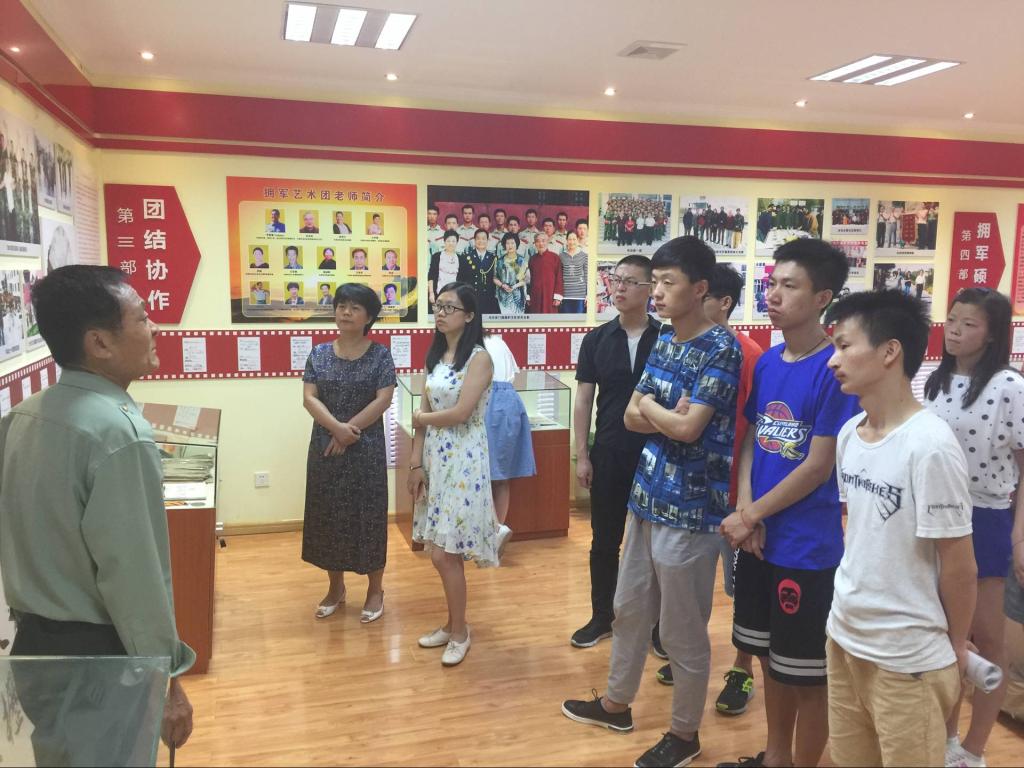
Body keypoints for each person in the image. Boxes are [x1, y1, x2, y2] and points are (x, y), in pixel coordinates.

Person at [0, 265, 194, 762]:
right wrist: (167, 679)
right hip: (100, 660)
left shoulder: (24, 414)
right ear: (100, 343)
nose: (154, 328)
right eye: (142, 318)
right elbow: (136, 577)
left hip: (35, 647)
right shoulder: (118, 434)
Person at [561, 236, 741, 768]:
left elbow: (687, 428)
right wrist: (666, 413)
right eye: (654, 282)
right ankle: (616, 704)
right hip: (646, 498)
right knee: (629, 608)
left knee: (682, 631)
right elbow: (629, 416)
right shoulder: (666, 341)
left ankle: (684, 734)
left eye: (667, 282)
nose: (657, 292)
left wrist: (657, 412)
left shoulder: (720, 348)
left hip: (691, 510)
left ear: (700, 288)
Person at [718, 238, 859, 768]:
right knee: (767, 659)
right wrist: (748, 508)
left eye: (788, 286)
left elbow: (818, 465)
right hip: (759, 538)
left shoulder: (834, 369)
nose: (773, 295)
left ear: (822, 297)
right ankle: (775, 757)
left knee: (806, 675)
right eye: (772, 283)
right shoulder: (770, 361)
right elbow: (752, 440)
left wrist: (753, 514)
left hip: (806, 548)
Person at [823, 290, 977, 767]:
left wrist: (955, 648)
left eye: (845, 346)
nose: (833, 361)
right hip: (845, 635)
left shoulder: (929, 446)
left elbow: (959, 564)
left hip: (908, 658)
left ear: (890, 351)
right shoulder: (850, 434)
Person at [653, 264, 763, 718]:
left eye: (704, 299)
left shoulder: (749, 354)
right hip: (693, 492)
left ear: (722, 302)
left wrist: (748, 499)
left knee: (743, 589)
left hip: (737, 493)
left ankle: (741, 669)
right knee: (691, 587)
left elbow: (753, 430)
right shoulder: (684, 347)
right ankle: (687, 656)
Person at [922, 288, 1024, 768]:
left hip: (985, 517)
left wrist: (1019, 536)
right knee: (946, 634)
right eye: (952, 320)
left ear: (992, 334)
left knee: (987, 638)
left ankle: (974, 749)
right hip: (935, 514)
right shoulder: (936, 380)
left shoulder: (1009, 386)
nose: (955, 331)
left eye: (969, 324)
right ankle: (945, 737)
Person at [570, 254, 660, 648]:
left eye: (630, 281)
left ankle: (658, 626)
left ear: (650, 289)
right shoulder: (597, 339)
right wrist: (583, 454)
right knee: (605, 541)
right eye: (616, 279)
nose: (619, 287)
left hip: (656, 453)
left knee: (657, 546)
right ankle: (601, 617)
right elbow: (583, 400)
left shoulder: (666, 339)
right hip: (608, 452)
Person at [408, 283, 499, 666]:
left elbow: (460, 413)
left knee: (446, 553)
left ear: (469, 316)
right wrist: (415, 464)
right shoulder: (435, 356)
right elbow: (423, 418)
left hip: (464, 460)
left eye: (450, 307)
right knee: (439, 552)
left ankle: (460, 633)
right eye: (438, 306)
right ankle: (452, 624)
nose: (441, 313)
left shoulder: (479, 358)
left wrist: (420, 417)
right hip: (436, 459)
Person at [302, 283, 395, 624]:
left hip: (366, 448)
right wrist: (336, 429)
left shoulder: (380, 355)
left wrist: (349, 430)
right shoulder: (319, 353)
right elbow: (309, 397)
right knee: (329, 516)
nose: (345, 312)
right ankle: (335, 587)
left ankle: (375, 590)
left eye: (355, 307)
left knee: (369, 518)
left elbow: (384, 399)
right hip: (326, 447)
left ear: (369, 317)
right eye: (341, 305)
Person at [482, 330, 535, 556]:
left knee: (482, 473)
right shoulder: (498, 342)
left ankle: (493, 531)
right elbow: (512, 376)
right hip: (509, 402)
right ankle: (496, 531)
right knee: (501, 477)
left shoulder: (473, 345)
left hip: (488, 401)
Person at [428, 229, 470, 308]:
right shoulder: (436, 256)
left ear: (457, 242)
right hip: (438, 295)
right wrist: (431, 293)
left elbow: (464, 281)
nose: (451, 243)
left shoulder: (461, 259)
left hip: (455, 297)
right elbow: (431, 276)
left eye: (453, 241)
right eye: (448, 241)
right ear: (444, 242)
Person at [464, 228, 499, 315]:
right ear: (474, 240)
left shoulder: (493, 258)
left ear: (487, 241)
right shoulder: (467, 257)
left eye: (483, 239)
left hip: (488, 298)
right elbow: (462, 279)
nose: (481, 241)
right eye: (478, 238)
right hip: (472, 297)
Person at [527, 232, 563, 314]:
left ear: (547, 242)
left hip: (550, 295)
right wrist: (529, 296)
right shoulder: (532, 259)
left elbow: (559, 278)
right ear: (535, 243)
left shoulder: (555, 257)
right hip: (535, 296)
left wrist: (557, 297)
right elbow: (529, 280)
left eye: (543, 241)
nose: (541, 244)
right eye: (538, 241)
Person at [494, 232, 529, 315]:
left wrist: (513, 287)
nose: (510, 246)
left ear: (517, 244)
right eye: (507, 243)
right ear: (504, 245)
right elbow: (495, 277)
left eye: (512, 243)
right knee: (505, 319)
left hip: (518, 296)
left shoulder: (521, 261)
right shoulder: (499, 261)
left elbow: (525, 279)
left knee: (517, 319)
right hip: (503, 296)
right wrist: (502, 285)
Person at [559, 231, 587, 314]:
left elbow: (587, 275)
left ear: (577, 240)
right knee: (566, 320)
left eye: (574, 239)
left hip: (580, 295)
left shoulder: (584, 256)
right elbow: (559, 276)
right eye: (570, 239)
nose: (572, 242)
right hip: (565, 294)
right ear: (566, 240)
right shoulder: (561, 256)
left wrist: (588, 295)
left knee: (578, 319)